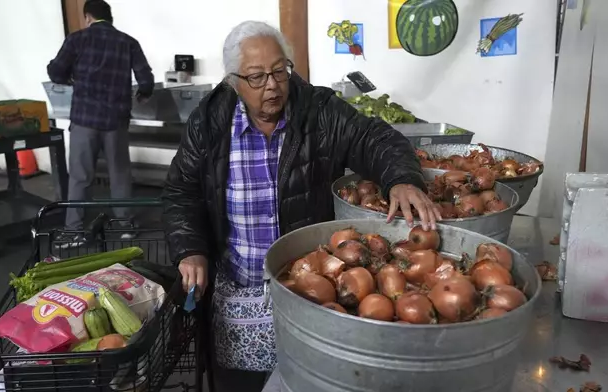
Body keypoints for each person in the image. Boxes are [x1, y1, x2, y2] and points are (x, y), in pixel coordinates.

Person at [162, 21, 441, 392]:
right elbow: (181, 191)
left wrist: (401, 179)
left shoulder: (319, 110)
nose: (273, 85)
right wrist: (191, 249)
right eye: (257, 77)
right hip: (238, 290)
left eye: (280, 71)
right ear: (234, 81)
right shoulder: (210, 122)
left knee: (310, 380)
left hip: (311, 293)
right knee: (239, 384)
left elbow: (375, 138)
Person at [47, 0, 154, 248]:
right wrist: (143, 93)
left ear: (88, 17)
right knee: (119, 174)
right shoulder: (128, 42)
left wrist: (71, 78)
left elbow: (56, 72)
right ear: (110, 17)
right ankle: (124, 227)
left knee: (80, 177)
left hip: (85, 119)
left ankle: (74, 231)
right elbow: (145, 78)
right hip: (116, 120)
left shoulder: (77, 39)